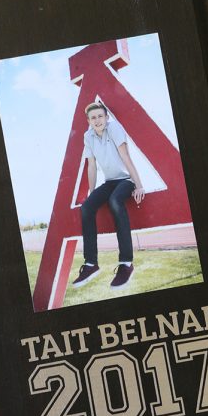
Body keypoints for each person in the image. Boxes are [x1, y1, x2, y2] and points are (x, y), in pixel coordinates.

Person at [73, 101, 145, 289]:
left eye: (100, 116)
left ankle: (126, 263)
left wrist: (138, 185)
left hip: (126, 180)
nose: (97, 120)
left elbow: (126, 156)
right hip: (109, 182)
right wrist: (92, 195)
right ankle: (91, 264)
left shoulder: (114, 128)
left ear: (106, 117)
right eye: (93, 118)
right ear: (88, 121)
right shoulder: (88, 136)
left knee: (114, 201)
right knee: (87, 207)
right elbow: (91, 166)